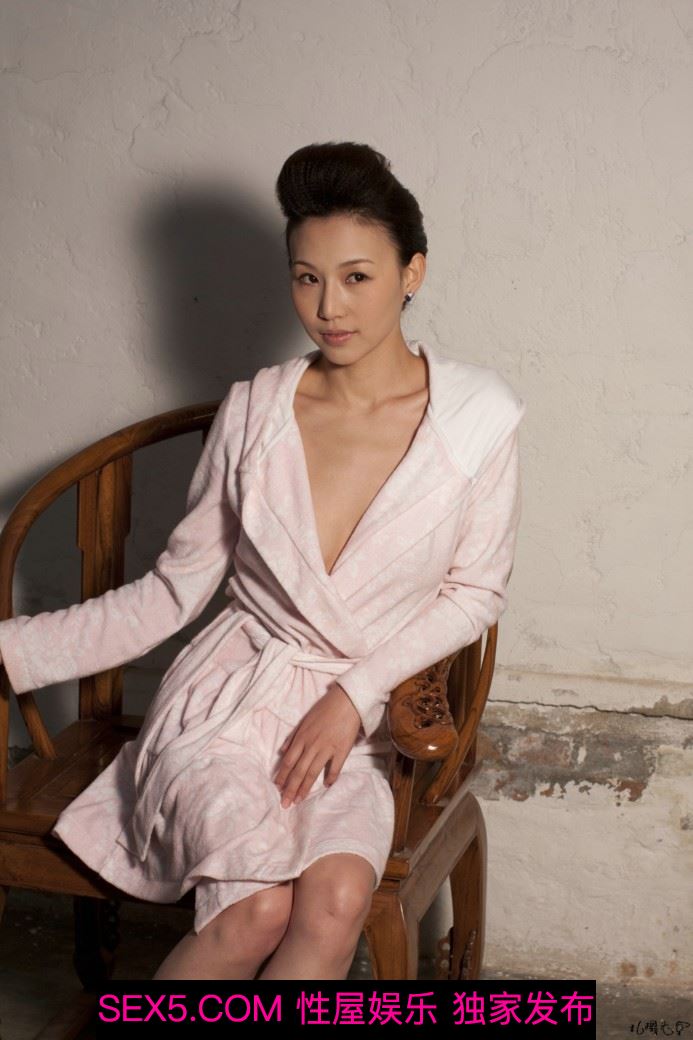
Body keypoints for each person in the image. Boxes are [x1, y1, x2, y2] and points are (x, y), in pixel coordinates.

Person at [0, 141, 526, 980]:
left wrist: (353, 696)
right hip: (228, 706)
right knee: (255, 910)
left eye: (356, 276)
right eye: (306, 277)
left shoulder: (474, 419)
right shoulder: (254, 414)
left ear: (411, 272)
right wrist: (12, 649)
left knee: (335, 903)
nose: (329, 307)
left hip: (359, 718)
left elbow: (473, 593)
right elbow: (167, 597)